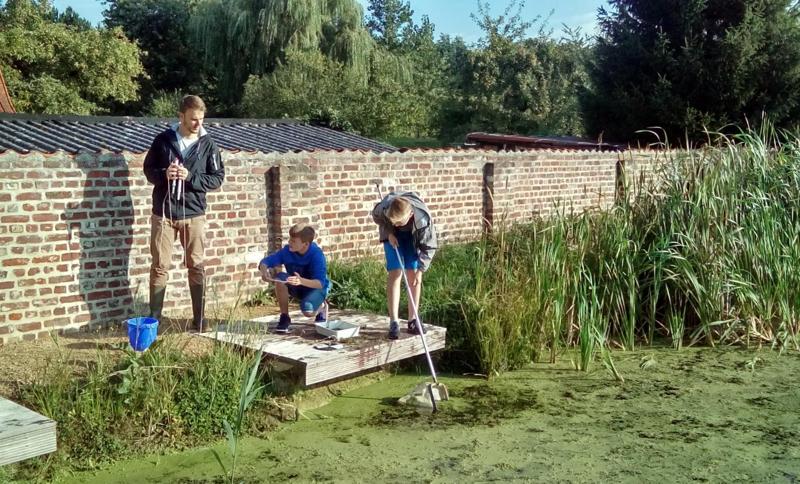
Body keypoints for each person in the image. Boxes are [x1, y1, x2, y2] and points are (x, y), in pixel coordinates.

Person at [143, 95, 224, 332]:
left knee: (196, 265)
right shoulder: (163, 140)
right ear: (181, 116)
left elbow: (217, 178)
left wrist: (190, 177)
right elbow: (148, 170)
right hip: (164, 213)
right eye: (193, 120)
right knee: (159, 266)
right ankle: (153, 322)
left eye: (200, 119)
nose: (198, 124)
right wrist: (164, 174)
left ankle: (199, 320)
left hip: (194, 213)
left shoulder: (208, 144)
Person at [372, 191, 437, 339]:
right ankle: (394, 321)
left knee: (413, 273)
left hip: (412, 235)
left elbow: (429, 247)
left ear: (410, 215)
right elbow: (377, 216)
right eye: (394, 221)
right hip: (392, 235)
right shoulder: (384, 208)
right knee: (395, 272)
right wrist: (389, 232)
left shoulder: (423, 220)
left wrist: (421, 271)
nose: (397, 223)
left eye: (399, 222)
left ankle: (412, 320)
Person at [258, 223, 330, 333]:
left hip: (315, 288)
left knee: (308, 312)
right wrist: (264, 271)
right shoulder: (287, 251)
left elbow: (320, 283)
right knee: (280, 278)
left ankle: (321, 306)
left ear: (305, 244)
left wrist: (301, 281)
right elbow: (266, 262)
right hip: (297, 285)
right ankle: (284, 317)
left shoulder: (316, 255)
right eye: (290, 239)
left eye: (293, 241)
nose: (289, 242)